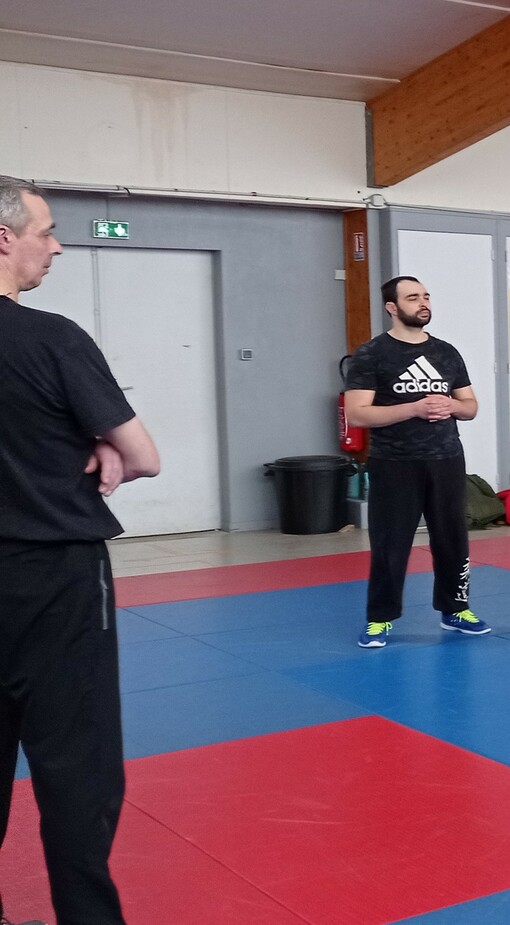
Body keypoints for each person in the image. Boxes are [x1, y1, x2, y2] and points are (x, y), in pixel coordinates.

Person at [0, 176, 161, 925]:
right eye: (47, 231)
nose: (57, 247)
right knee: (77, 767)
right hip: (53, 577)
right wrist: (103, 439)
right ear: (4, 239)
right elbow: (145, 456)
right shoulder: (51, 338)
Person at [344, 275, 488, 648]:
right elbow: (357, 414)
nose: (423, 303)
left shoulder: (446, 352)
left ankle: (456, 609)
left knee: (452, 538)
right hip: (395, 462)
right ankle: (379, 618)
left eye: (425, 296)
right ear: (392, 307)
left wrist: (451, 405)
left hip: (446, 459)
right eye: (412, 297)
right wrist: (414, 408)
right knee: (390, 542)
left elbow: (470, 407)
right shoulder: (372, 354)